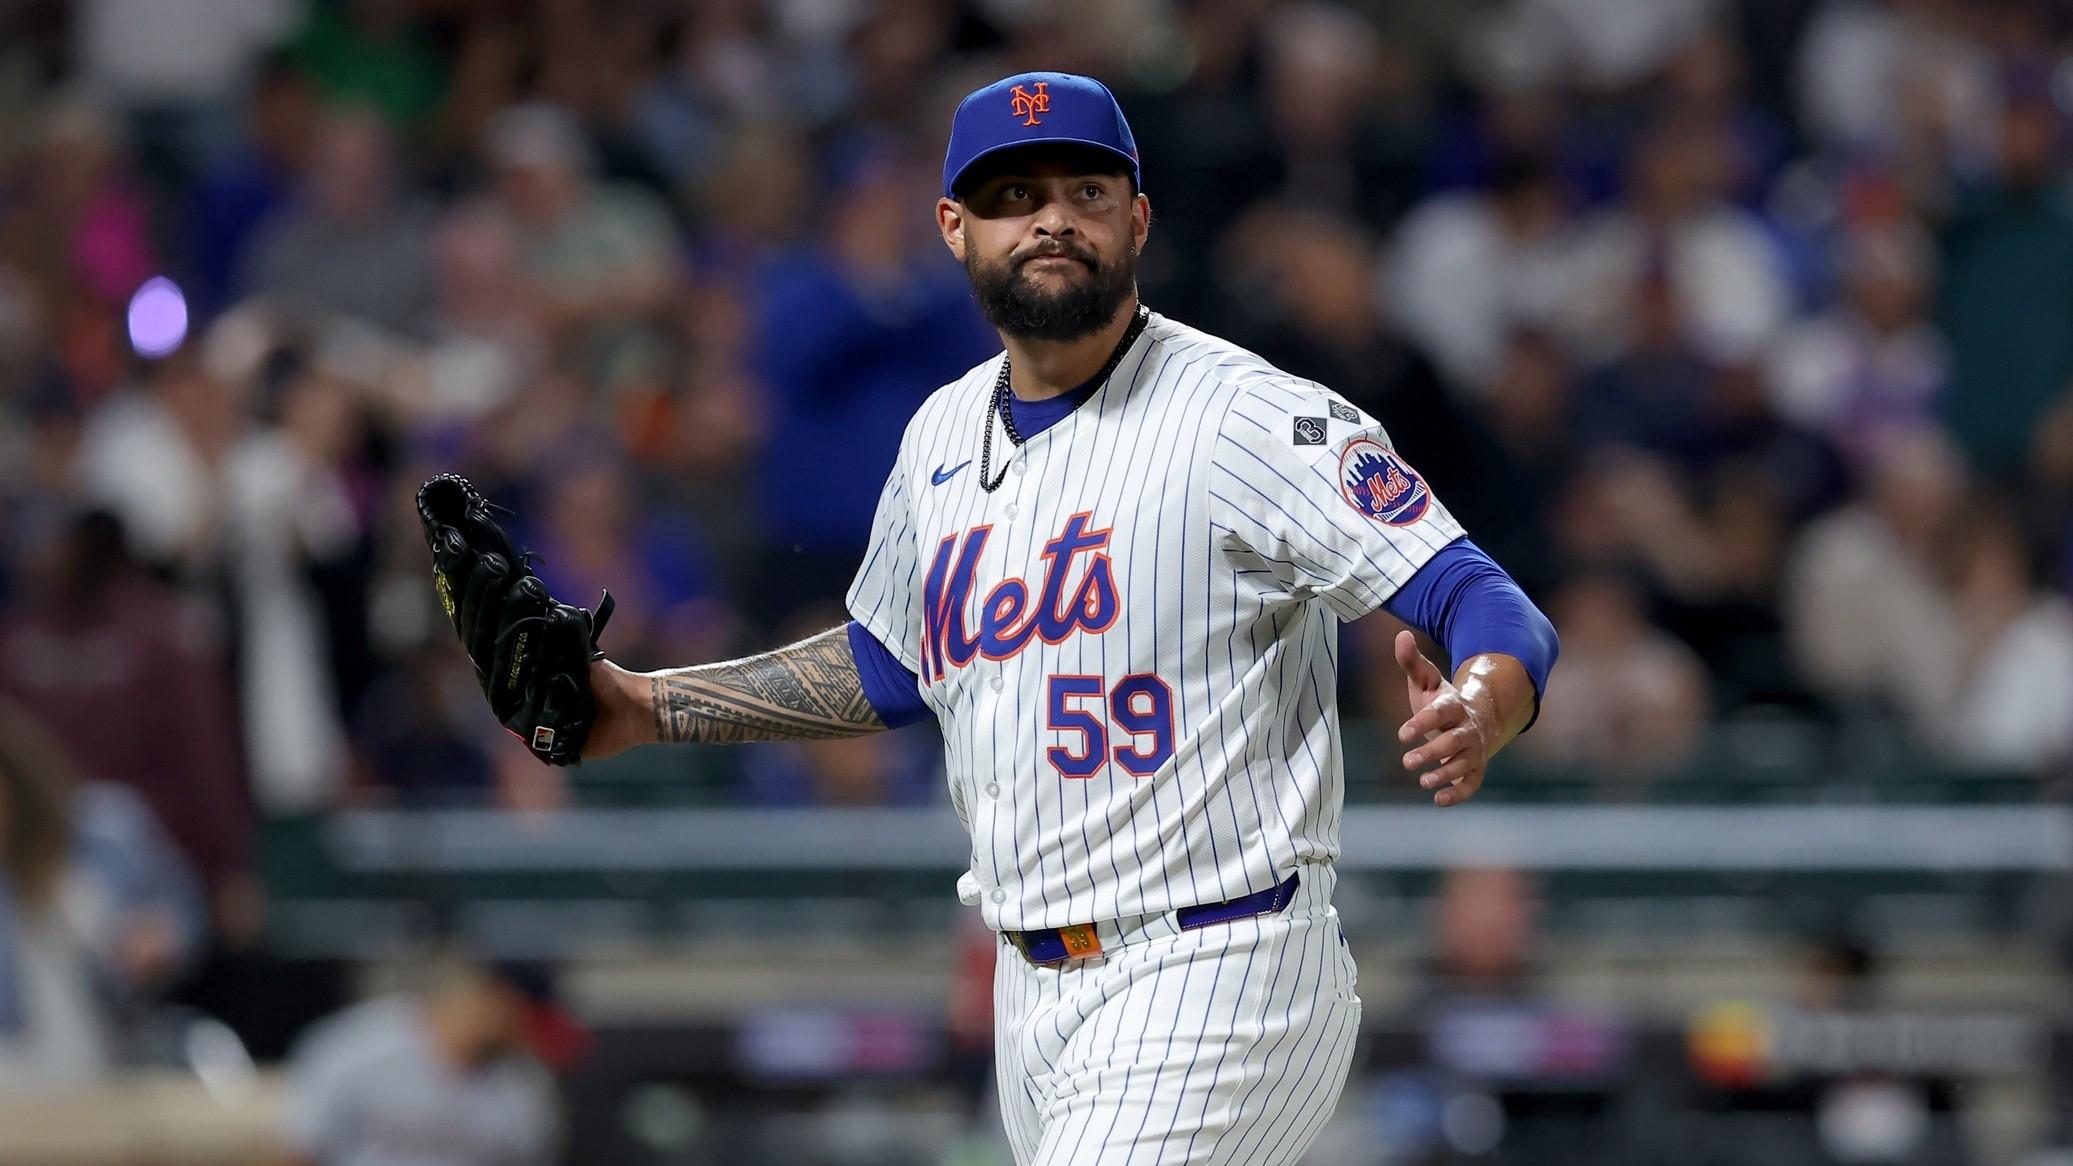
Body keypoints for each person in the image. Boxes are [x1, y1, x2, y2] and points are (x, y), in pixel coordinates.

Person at [564, 72, 1558, 1164]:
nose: (1050, 217)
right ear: (954, 228)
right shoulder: (940, 434)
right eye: (1012, 195)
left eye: (1086, 189)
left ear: (1137, 218)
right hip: (1028, 990)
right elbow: (888, 664)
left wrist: (1483, 697)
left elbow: (1481, 596)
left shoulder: (1247, 418)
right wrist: (635, 703)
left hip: (1219, 960)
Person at [270, 956, 573, 1166]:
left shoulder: (524, 1085)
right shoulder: (356, 1047)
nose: (527, 1040)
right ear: (495, 1003)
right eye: (526, 1022)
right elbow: (298, 1152)